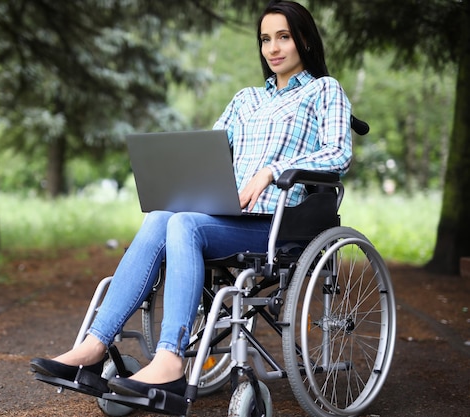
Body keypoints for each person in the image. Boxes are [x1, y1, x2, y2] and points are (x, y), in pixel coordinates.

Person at [30, 0, 352, 398]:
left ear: (304, 39)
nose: (273, 48)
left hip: (280, 223)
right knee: (162, 215)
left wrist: (272, 170)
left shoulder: (324, 90)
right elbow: (210, 151)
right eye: (265, 39)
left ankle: (170, 360)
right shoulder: (246, 99)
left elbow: (338, 153)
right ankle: (95, 346)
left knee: (181, 223)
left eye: (283, 37)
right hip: (231, 216)